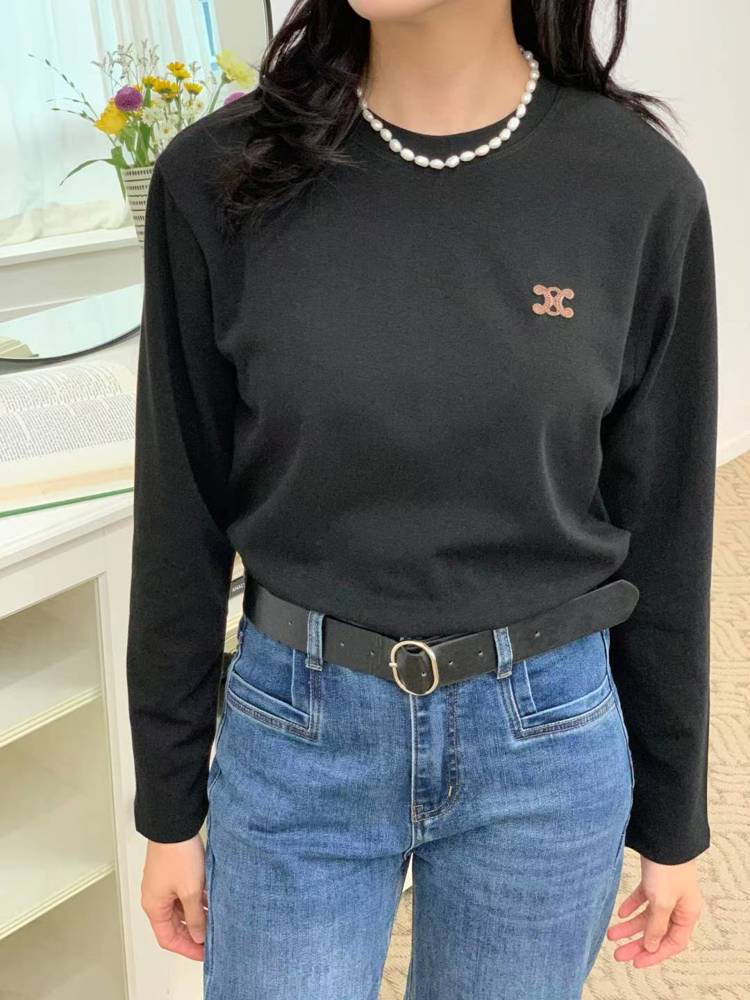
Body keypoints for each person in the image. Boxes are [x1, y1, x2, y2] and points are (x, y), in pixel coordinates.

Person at [125, 0, 718, 996]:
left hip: (546, 740)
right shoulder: (220, 178)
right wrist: (168, 804)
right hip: (294, 732)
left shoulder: (637, 188)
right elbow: (179, 509)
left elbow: (668, 526)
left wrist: (674, 815)